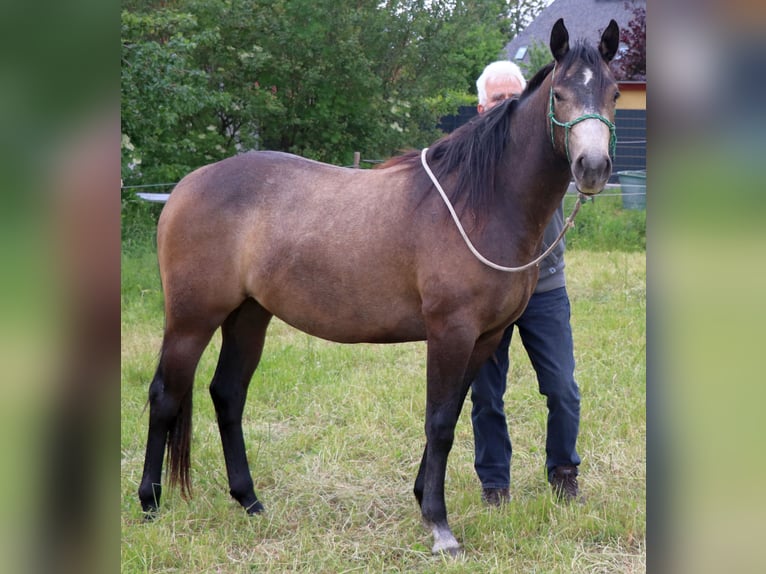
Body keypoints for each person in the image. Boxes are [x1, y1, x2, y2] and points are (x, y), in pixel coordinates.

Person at [471, 61, 581, 505]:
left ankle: (563, 470)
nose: (508, 105)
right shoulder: (471, 158)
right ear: (481, 108)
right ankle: (495, 483)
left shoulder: (549, 148)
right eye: (498, 99)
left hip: (544, 284)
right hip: (487, 290)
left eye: (516, 96)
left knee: (562, 388)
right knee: (486, 394)